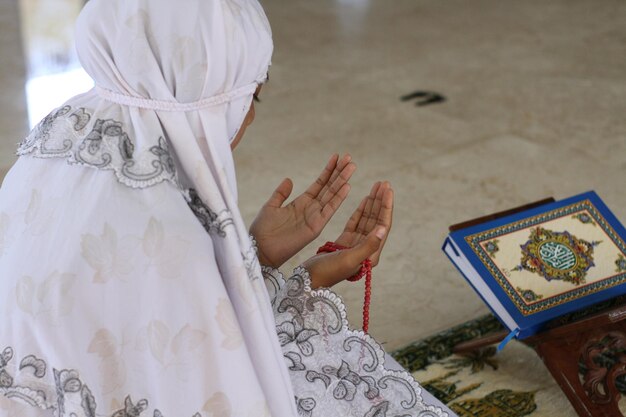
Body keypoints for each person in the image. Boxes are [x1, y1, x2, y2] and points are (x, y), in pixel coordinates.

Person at [0, 0, 454, 416]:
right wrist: (310, 280)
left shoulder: (56, 144)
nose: (250, 116)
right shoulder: (164, 237)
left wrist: (255, 255)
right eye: (249, 97)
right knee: (359, 387)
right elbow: (225, 392)